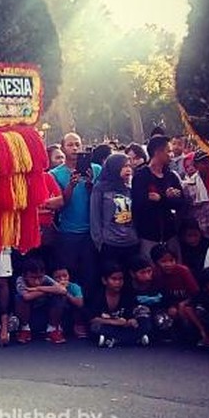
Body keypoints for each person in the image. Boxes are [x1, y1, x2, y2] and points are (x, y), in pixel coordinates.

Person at [48, 132, 101, 296]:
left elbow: (100, 200)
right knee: (70, 276)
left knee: (90, 275)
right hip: (68, 232)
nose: (75, 148)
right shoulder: (55, 174)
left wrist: (91, 185)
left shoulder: (96, 169)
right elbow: (60, 205)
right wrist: (71, 185)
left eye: (77, 144)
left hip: (91, 232)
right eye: (70, 145)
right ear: (63, 148)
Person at [131, 135, 185, 261]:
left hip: (170, 234)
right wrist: (167, 197)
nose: (171, 155)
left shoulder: (171, 176)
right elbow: (140, 204)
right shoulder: (141, 176)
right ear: (157, 152)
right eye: (168, 151)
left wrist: (161, 199)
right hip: (148, 236)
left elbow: (180, 202)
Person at [90, 152, 139, 269]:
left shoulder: (130, 188)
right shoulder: (100, 188)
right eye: (124, 166)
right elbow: (95, 217)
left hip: (131, 242)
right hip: (109, 243)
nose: (128, 169)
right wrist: (100, 243)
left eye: (129, 166)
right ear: (114, 167)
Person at [88, 262, 151, 348]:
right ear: (104, 280)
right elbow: (92, 319)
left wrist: (131, 320)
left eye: (120, 279)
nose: (118, 282)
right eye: (114, 279)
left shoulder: (128, 294)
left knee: (144, 320)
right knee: (95, 327)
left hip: (125, 326)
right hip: (107, 325)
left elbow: (131, 312)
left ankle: (114, 340)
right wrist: (115, 322)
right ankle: (133, 339)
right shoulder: (97, 295)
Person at [14, 257, 67, 344]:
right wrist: (47, 291)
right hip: (29, 313)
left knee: (60, 297)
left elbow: (63, 290)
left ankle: (52, 329)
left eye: (40, 277)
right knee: (19, 298)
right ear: (25, 276)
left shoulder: (46, 278)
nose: (37, 281)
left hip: (46, 312)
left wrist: (37, 288)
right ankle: (25, 329)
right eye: (33, 278)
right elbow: (27, 296)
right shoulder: (21, 280)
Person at [179, 267, 209, 348]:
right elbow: (188, 309)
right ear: (205, 286)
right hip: (207, 323)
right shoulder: (201, 295)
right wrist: (202, 329)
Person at [183, 149, 209, 238]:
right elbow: (186, 212)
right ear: (196, 166)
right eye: (205, 163)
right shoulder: (188, 186)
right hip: (200, 234)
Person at [50, 265, 85, 338]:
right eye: (57, 277)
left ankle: (78, 326)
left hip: (70, 313)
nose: (62, 279)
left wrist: (66, 292)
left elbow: (80, 304)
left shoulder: (74, 286)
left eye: (65, 276)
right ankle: (54, 328)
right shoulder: (49, 286)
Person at [178, 219, 209, 283]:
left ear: (200, 234)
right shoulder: (180, 247)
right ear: (183, 236)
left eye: (196, 235)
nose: (193, 239)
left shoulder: (207, 244)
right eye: (189, 236)